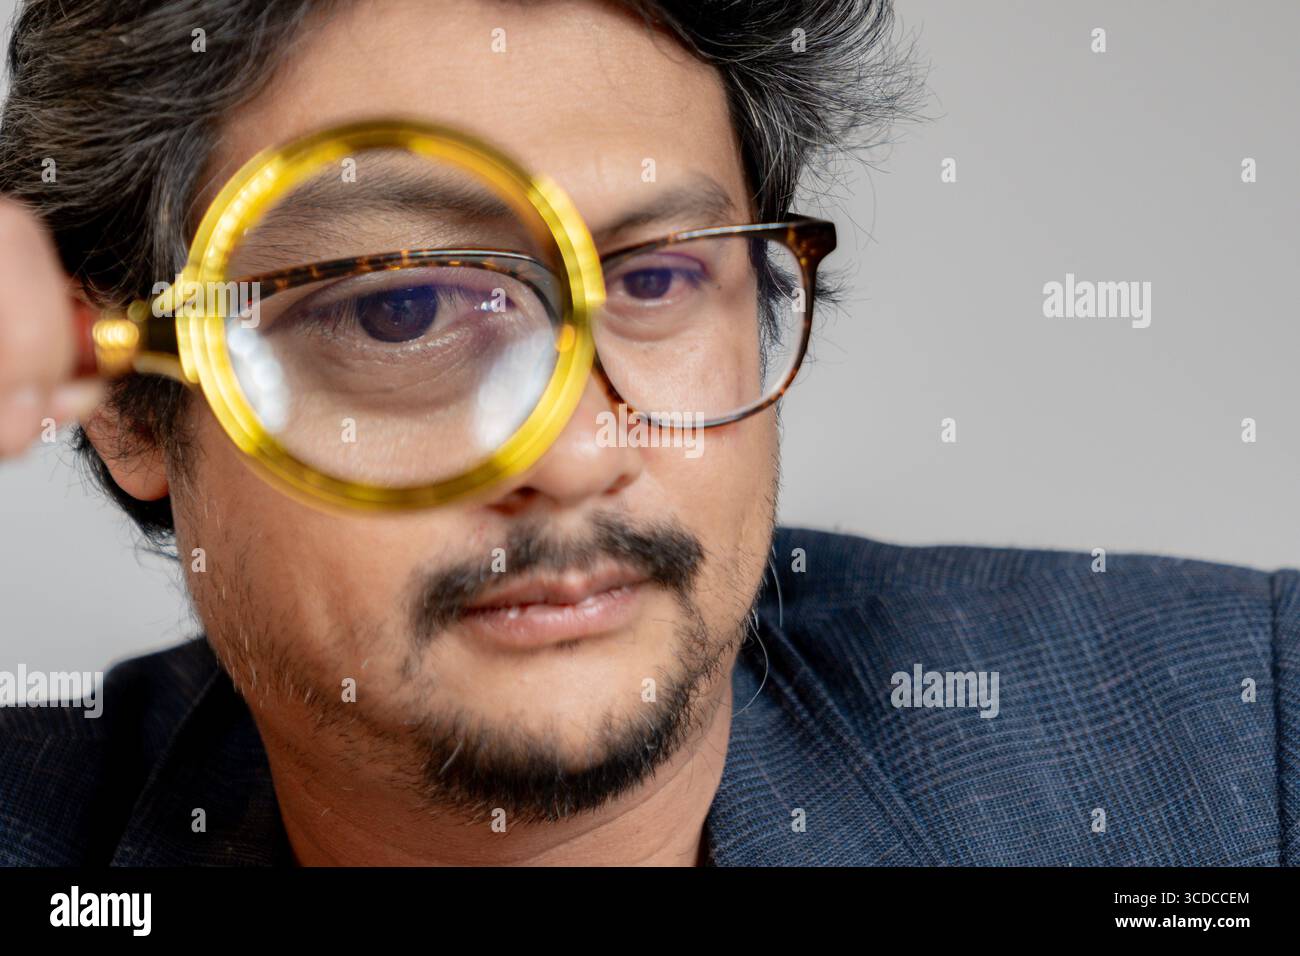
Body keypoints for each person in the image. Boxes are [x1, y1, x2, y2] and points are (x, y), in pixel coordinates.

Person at [0, 0, 1295, 868]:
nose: (572, 455)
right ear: (123, 400)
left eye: (657, 278)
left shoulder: (1241, 734)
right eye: (400, 310)